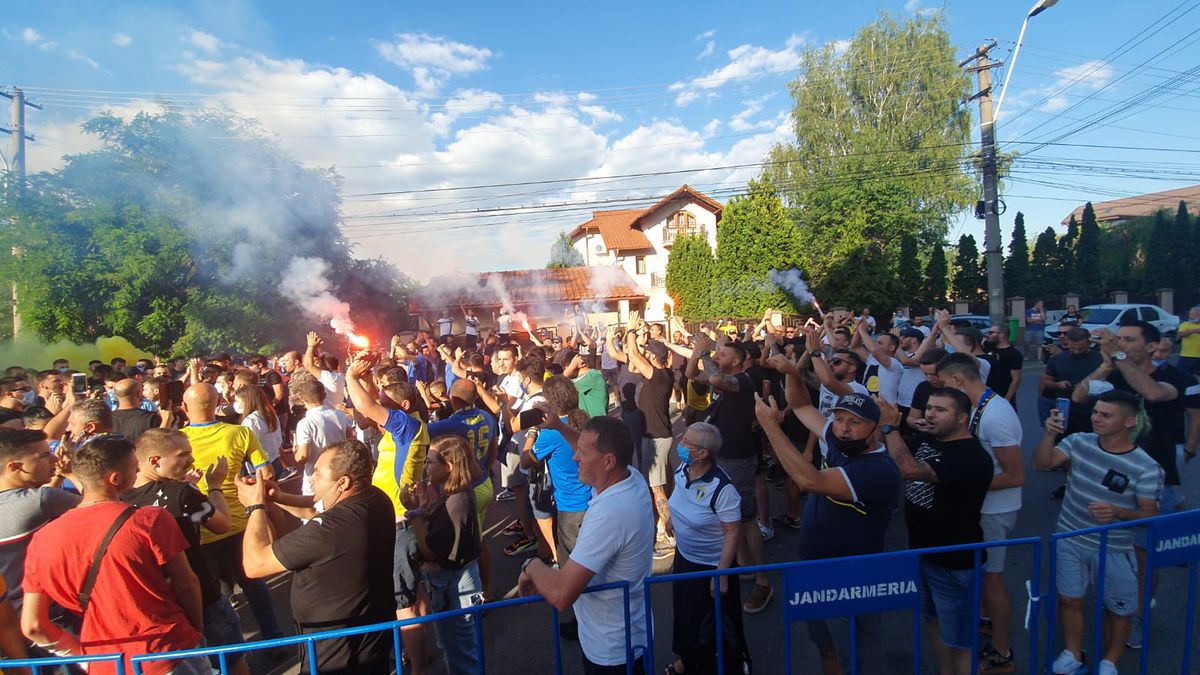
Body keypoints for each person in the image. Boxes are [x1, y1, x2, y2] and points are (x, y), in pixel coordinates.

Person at [755, 363, 900, 675]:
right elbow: (801, 406)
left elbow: (810, 481)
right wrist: (792, 371)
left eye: (855, 422)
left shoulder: (877, 471)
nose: (843, 428)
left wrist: (770, 428)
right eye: (839, 419)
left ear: (876, 429)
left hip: (850, 577)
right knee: (827, 647)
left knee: (856, 656)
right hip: (817, 567)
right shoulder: (842, 443)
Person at [21, 435, 209, 675]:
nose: (139, 470)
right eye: (134, 467)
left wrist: (81, 655)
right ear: (115, 479)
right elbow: (187, 583)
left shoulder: (41, 539)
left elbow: (33, 625)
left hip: (104, 660)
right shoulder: (149, 520)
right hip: (166, 650)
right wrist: (196, 630)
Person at [235, 439, 396, 675]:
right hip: (369, 640)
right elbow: (313, 510)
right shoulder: (375, 498)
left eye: (318, 474)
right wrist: (276, 496)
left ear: (343, 482)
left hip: (335, 653)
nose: (311, 478)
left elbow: (255, 564)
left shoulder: (329, 530)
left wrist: (255, 507)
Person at [1033, 390, 1163, 675]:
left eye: (1106, 415)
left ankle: (1110, 661)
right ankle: (1072, 652)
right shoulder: (1078, 441)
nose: (1096, 418)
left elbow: (1151, 514)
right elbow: (1042, 463)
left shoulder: (1146, 466)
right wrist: (1049, 435)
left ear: (1129, 422)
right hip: (1069, 538)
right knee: (1069, 600)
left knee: (1118, 609)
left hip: (1114, 547)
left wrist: (1119, 512)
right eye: (1095, 412)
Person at [518, 416, 653, 675]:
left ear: (608, 461)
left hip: (612, 650)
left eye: (582, 452)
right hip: (630, 634)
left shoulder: (611, 512)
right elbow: (594, 450)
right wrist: (560, 427)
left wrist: (531, 566)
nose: (574, 457)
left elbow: (561, 594)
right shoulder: (630, 477)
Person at [879, 391, 994, 675]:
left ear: (962, 418)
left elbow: (907, 468)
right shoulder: (930, 439)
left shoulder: (972, 456)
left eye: (940, 410)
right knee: (931, 620)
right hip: (923, 553)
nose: (930, 413)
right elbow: (890, 451)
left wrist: (890, 427)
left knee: (961, 641)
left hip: (954, 563)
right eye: (929, 407)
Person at [125, 429, 248, 675]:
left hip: (156, 607)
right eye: (183, 455)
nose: (191, 460)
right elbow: (222, 523)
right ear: (155, 460)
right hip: (203, 599)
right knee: (231, 661)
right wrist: (215, 486)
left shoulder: (120, 500)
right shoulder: (181, 493)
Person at [344, 354, 432, 674]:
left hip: (399, 523)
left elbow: (367, 407)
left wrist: (350, 377)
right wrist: (368, 379)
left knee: (402, 604)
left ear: (403, 407)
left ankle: (417, 665)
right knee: (415, 592)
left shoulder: (407, 426)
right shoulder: (406, 426)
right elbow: (372, 407)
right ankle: (421, 653)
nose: (381, 408)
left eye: (387, 404)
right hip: (402, 519)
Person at [935, 353, 1024, 668]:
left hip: (995, 511)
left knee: (992, 579)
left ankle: (1001, 650)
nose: (940, 389)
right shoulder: (979, 406)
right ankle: (987, 622)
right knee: (984, 576)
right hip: (982, 507)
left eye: (943, 383)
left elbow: (1015, 475)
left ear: (957, 380)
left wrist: (963, 483)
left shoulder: (995, 415)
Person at [179, 383, 283, 644]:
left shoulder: (176, 440)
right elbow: (266, 472)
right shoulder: (240, 432)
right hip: (239, 522)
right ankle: (273, 638)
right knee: (253, 582)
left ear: (184, 408)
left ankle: (231, 652)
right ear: (218, 404)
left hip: (201, 526)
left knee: (217, 595)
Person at [687, 334, 772, 614]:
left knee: (746, 519)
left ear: (736, 362)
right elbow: (691, 375)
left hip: (738, 459)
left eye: (722, 354)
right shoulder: (722, 378)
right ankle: (744, 566)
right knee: (728, 516)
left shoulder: (743, 381)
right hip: (721, 457)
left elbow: (714, 378)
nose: (716, 356)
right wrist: (697, 352)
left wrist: (704, 354)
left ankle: (762, 581)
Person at [662, 422, 745, 675]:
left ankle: (720, 666)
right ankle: (687, 661)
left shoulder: (723, 488)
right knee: (685, 617)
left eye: (687, 442)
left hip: (711, 567)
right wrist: (672, 519)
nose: (681, 445)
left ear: (703, 453)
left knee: (712, 624)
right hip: (685, 559)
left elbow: (733, 532)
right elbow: (680, 495)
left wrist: (721, 575)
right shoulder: (683, 468)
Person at [402, 436, 484, 675]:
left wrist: (414, 513)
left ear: (448, 466)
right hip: (454, 581)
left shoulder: (457, 502)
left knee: (460, 653)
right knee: (455, 648)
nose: (425, 467)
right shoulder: (455, 494)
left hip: (452, 584)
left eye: (429, 462)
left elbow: (431, 550)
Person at [427, 379, 498, 595]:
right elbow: (493, 448)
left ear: (453, 399)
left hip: (467, 489)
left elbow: (417, 433)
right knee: (479, 538)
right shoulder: (487, 416)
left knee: (473, 545)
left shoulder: (448, 424)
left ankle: (482, 592)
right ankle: (485, 590)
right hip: (484, 481)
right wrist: (485, 469)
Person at [0, 428, 80, 619]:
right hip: (50, 616)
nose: (54, 458)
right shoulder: (42, 500)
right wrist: (71, 473)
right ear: (15, 467)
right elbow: (103, 508)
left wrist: (58, 476)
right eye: (44, 456)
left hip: (11, 618)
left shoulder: (31, 501)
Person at [292, 378, 351, 495]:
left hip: (316, 478)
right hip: (339, 474)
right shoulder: (340, 415)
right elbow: (350, 441)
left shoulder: (305, 423)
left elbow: (302, 457)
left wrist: (295, 451)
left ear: (301, 398)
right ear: (324, 395)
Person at [235, 384, 285, 477]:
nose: (237, 405)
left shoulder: (251, 420)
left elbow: (248, 444)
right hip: (275, 460)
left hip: (260, 465)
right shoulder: (270, 414)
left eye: (238, 401)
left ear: (247, 401)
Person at [984, 324, 1024, 408]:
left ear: (1001, 334)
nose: (988, 335)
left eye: (991, 333)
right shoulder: (989, 349)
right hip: (987, 395)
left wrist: (1007, 399)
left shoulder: (1013, 354)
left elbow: (1016, 379)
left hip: (1002, 395)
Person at [303, 332, 347, 407]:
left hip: (326, 411)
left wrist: (310, 346)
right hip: (334, 411)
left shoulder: (327, 376)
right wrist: (316, 348)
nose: (317, 364)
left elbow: (308, 365)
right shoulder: (340, 376)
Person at [1178, 306, 1200, 379]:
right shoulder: (1185, 324)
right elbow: (1180, 334)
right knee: (1182, 375)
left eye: (1195, 314)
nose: (1192, 316)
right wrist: (1194, 331)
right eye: (1191, 314)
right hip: (1186, 355)